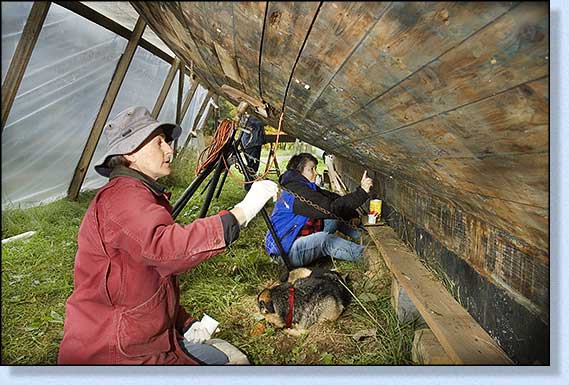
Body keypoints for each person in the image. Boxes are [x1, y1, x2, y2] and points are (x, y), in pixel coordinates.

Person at [58, 106, 278, 365]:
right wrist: (241, 212)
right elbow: (165, 250)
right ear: (131, 152)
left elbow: (149, 281)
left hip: (138, 336)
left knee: (225, 356)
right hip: (116, 353)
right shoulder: (123, 198)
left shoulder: (136, 193)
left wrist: (184, 323)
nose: (169, 150)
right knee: (234, 364)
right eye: (159, 142)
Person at [265, 153, 373, 267]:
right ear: (299, 172)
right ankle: (368, 257)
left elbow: (332, 198)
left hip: (297, 237)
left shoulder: (302, 186)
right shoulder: (295, 194)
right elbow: (330, 208)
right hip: (286, 252)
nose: (316, 173)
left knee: (333, 220)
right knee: (325, 240)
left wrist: (352, 215)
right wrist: (362, 192)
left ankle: (364, 238)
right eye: (311, 169)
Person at [239, 114, 266, 191]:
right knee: (252, 166)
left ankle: (250, 185)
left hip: (252, 141)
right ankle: (249, 186)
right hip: (251, 142)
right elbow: (261, 122)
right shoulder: (251, 114)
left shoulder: (249, 112)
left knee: (253, 165)